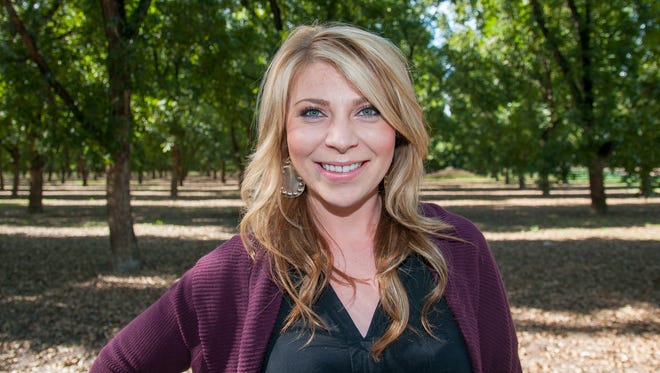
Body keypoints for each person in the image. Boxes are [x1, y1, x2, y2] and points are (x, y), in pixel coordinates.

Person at [91, 23, 521, 373]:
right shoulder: (234, 271)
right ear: (283, 133)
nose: (340, 139)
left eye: (368, 109)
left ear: (399, 127)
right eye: (313, 112)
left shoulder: (458, 249)